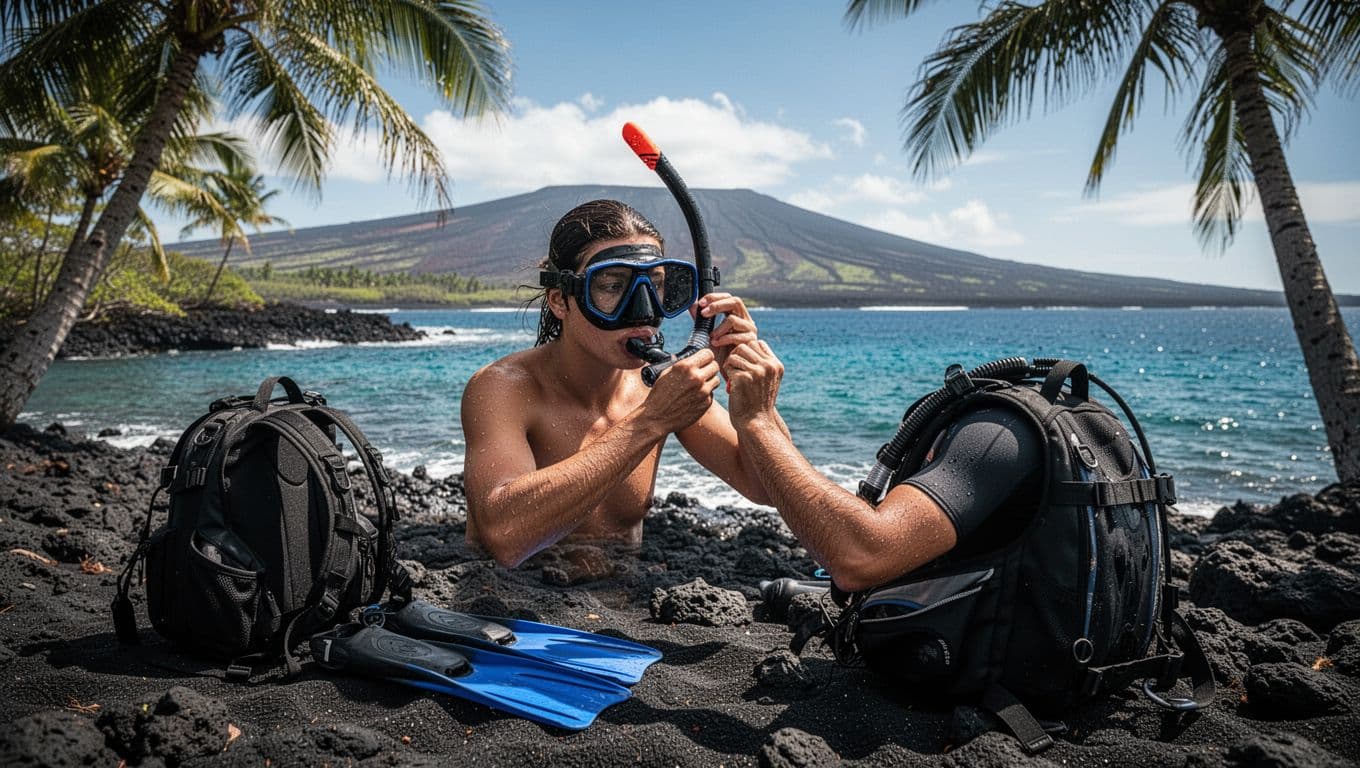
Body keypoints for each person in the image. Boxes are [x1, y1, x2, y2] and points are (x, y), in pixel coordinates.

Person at [461, 199, 781, 567]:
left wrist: (755, 407)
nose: (643, 310)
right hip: (507, 607)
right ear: (560, 301)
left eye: (656, 286)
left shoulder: (660, 386)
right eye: (613, 286)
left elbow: (766, 487)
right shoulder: (504, 389)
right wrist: (650, 422)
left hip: (619, 601)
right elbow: (505, 536)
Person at [722, 340, 1042, 592]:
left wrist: (757, 419)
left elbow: (861, 556)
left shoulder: (995, 436)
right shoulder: (1017, 427)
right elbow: (768, 483)